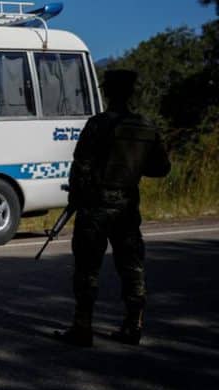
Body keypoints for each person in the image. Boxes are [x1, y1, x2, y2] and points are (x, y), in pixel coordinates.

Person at [54, 69, 170, 347]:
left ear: (107, 91)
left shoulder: (97, 125)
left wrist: (76, 198)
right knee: (131, 266)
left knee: (87, 268)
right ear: (131, 92)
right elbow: (161, 168)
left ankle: (82, 327)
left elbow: (80, 166)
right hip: (127, 207)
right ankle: (134, 325)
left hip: (95, 209)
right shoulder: (146, 126)